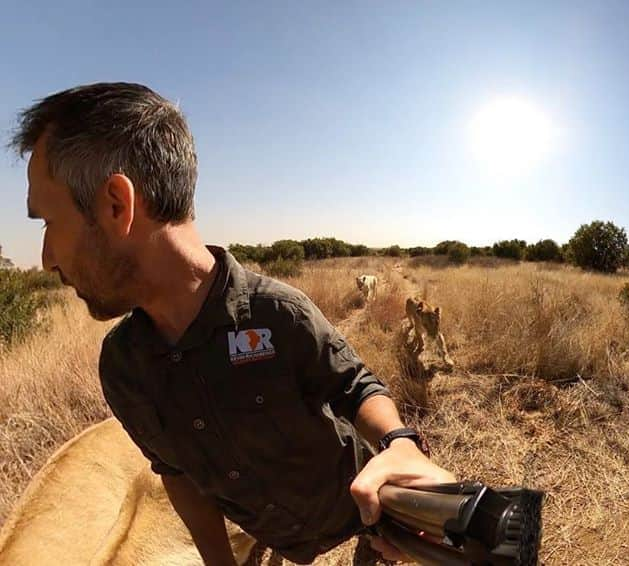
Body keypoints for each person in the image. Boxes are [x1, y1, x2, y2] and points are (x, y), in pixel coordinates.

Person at [13, 82, 454, 565]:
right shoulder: (123, 366)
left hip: (359, 510)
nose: (46, 259)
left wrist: (399, 442)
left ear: (117, 205)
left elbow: (354, 386)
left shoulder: (277, 312)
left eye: (48, 223)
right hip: (267, 532)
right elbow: (175, 474)